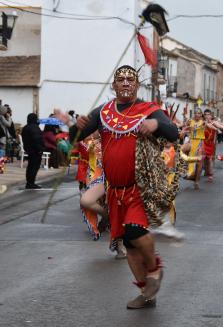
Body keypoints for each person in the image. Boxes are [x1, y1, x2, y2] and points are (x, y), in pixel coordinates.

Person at [73, 65, 178, 309]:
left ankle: (154, 270)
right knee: (129, 244)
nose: (126, 83)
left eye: (131, 80)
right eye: (121, 80)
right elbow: (76, 137)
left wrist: (155, 125)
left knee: (135, 232)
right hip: (114, 189)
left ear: (138, 85)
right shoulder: (104, 112)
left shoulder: (149, 109)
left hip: (139, 187)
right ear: (114, 85)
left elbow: (173, 133)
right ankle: (146, 294)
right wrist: (76, 126)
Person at [21, 113, 44, 189]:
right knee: (34, 167)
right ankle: (31, 183)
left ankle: (29, 182)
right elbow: (37, 139)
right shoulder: (35, 127)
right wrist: (40, 149)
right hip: (36, 150)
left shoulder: (25, 127)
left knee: (30, 166)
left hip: (29, 150)